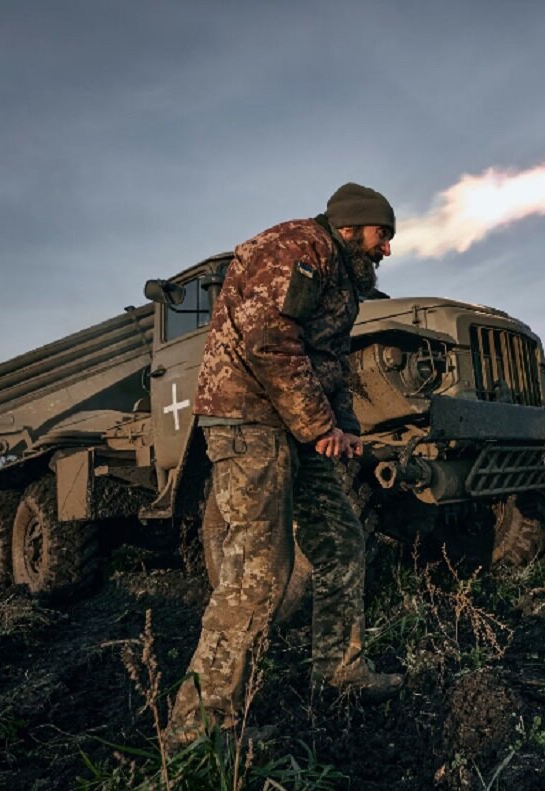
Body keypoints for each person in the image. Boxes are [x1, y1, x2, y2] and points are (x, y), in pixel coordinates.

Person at [168, 183, 403, 743]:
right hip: (249, 420)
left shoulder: (342, 277)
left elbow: (330, 363)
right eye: (382, 234)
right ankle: (198, 727)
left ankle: (339, 671)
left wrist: (343, 429)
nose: (387, 249)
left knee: (343, 542)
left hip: (294, 425)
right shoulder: (297, 249)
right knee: (258, 572)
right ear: (350, 227)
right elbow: (269, 343)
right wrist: (320, 427)